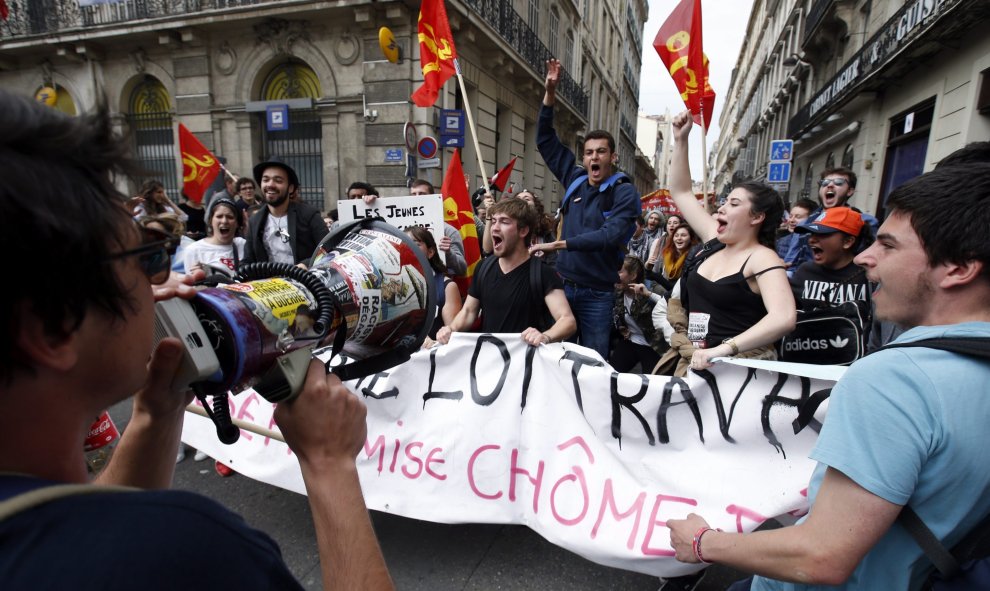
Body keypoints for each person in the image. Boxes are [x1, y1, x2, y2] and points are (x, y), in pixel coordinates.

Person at [0, 90, 393, 590]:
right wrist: (330, 462)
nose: (165, 286)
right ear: (54, 327)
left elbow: (87, 525)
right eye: (145, 260)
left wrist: (155, 413)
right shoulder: (189, 550)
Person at [667, 162, 990, 591]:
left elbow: (823, 557)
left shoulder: (891, 380)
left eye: (888, 246)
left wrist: (703, 542)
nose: (864, 256)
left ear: (959, 267)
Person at [668, 110, 795, 371]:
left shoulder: (763, 258)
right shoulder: (714, 239)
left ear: (757, 216)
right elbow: (680, 192)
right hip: (695, 361)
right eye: (725, 202)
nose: (722, 208)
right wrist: (681, 141)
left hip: (739, 370)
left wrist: (723, 349)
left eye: (734, 204)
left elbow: (783, 318)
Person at [532, 58, 641, 360]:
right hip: (563, 289)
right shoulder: (576, 177)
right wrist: (550, 94)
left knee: (592, 364)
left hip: (597, 294)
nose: (594, 157)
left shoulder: (624, 192)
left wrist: (562, 244)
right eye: (589, 152)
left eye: (601, 152)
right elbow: (544, 140)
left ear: (613, 157)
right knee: (556, 358)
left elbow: (609, 235)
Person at [436, 197, 576, 346]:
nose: (494, 228)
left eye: (504, 221)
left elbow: (567, 320)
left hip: (525, 362)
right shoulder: (483, 268)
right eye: (494, 221)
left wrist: (544, 336)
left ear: (523, 231)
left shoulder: (543, 273)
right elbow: (469, 312)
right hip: (489, 360)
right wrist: (451, 329)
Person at [242, 158, 329, 267]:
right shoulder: (254, 221)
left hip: (305, 281)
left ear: (290, 188)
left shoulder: (309, 214)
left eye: (278, 180)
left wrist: (306, 264)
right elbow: (247, 261)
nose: (270, 184)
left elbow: (328, 248)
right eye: (266, 180)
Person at [789, 207, 871, 311]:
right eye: (812, 234)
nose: (811, 240)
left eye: (822, 234)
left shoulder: (868, 276)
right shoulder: (804, 272)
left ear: (848, 241)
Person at [405, 225, 462, 344]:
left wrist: (434, 342)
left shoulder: (447, 287)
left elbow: (453, 338)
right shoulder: (391, 284)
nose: (409, 248)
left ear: (430, 252)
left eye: (415, 244)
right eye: (404, 244)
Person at [611, 256, 667, 373]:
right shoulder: (618, 291)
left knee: (651, 384)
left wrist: (649, 295)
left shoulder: (653, 289)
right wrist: (621, 326)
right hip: (631, 341)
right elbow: (617, 312)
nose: (614, 275)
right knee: (611, 374)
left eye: (619, 271)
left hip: (654, 346)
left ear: (633, 275)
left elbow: (673, 307)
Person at [409, 178, 468, 276]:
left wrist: (448, 253)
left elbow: (462, 270)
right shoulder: (400, 228)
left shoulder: (448, 231)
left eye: (422, 194)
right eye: (413, 194)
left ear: (433, 198)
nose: (417, 198)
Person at [182, 197, 246, 275]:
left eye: (230, 217)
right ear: (210, 221)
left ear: (237, 223)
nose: (224, 221)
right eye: (219, 216)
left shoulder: (243, 244)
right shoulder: (193, 250)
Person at [647, 223, 698, 293]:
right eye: (676, 235)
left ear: (691, 238)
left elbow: (682, 289)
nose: (679, 238)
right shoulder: (667, 253)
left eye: (683, 235)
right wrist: (647, 267)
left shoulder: (694, 257)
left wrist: (655, 277)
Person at [776, 198, 816, 276]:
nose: (792, 220)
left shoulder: (814, 243)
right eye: (790, 216)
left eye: (798, 217)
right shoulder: (780, 241)